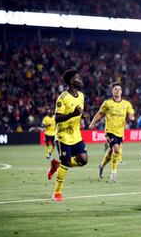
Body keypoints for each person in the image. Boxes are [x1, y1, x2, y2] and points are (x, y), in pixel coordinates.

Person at [47, 69, 89, 202]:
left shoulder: (81, 95)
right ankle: (57, 192)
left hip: (76, 135)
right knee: (66, 162)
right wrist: (73, 115)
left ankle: (56, 165)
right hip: (63, 135)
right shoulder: (63, 98)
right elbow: (57, 118)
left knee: (83, 160)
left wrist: (84, 116)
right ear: (72, 81)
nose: (81, 80)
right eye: (78, 78)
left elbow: (79, 111)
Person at [89, 82, 135, 182]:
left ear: (122, 92)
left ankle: (101, 166)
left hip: (120, 132)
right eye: (115, 89)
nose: (117, 91)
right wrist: (93, 123)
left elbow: (131, 113)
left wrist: (132, 117)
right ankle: (114, 172)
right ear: (112, 91)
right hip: (110, 131)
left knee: (112, 151)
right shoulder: (107, 103)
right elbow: (100, 114)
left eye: (119, 89)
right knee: (117, 149)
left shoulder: (126, 104)